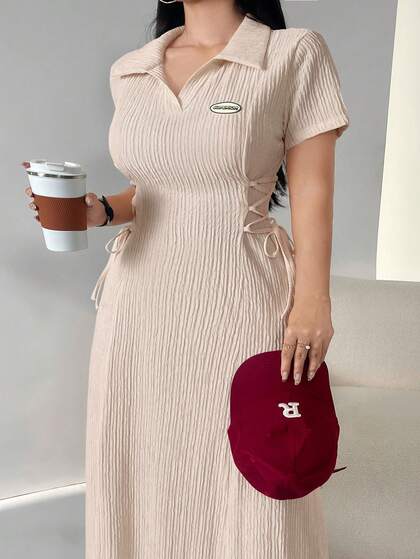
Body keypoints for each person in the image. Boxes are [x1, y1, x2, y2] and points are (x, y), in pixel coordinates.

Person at [25, 1, 349, 557]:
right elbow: (157, 186)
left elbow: (312, 190)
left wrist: (313, 300)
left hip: (241, 293)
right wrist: (99, 210)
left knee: (248, 467)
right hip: (138, 302)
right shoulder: (131, 69)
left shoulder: (291, 53)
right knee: (142, 460)